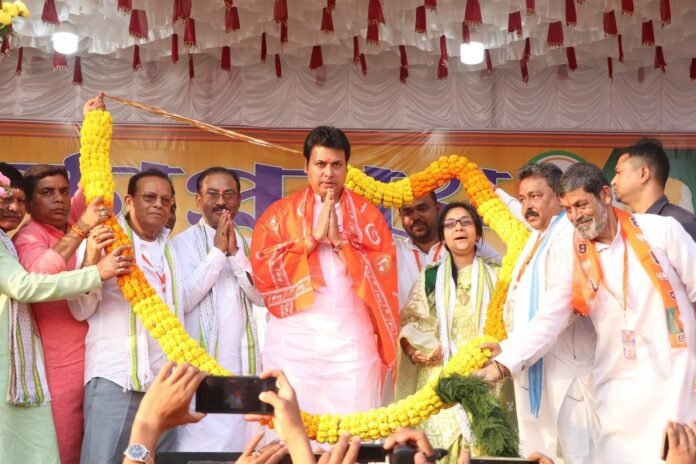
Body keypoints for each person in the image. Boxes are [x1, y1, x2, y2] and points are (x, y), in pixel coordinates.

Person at [476, 163, 696, 463]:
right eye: (568, 209)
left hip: (676, 380)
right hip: (617, 387)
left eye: (581, 204)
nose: (575, 216)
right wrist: (501, 365)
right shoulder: (575, 256)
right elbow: (549, 319)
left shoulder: (660, 230)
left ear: (605, 195)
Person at [68, 168, 224, 463]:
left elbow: (180, 303)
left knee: (154, 460)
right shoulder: (104, 239)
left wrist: (217, 254)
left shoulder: (170, 249)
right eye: (149, 197)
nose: (158, 205)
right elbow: (79, 309)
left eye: (166, 200)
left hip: (163, 383)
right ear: (129, 201)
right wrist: (94, 266)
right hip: (116, 380)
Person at [250, 126, 398, 415]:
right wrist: (311, 240)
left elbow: (384, 271)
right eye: (320, 164)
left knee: (354, 429)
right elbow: (262, 272)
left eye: (336, 165)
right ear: (306, 166)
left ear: (347, 168)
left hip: (350, 342)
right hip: (293, 340)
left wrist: (341, 244)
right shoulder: (280, 214)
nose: (328, 173)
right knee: (289, 426)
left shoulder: (368, 217)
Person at [0, 162, 131, 464]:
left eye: (63, 191)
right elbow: (34, 279)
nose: (58, 199)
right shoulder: (29, 236)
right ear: (34, 205)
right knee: (61, 447)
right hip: (56, 364)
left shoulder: (66, 225)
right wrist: (95, 267)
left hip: (91, 359)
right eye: (47, 193)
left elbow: (94, 183)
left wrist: (95, 137)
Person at [495, 163, 597, 463]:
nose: (527, 206)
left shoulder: (568, 236)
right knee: (539, 453)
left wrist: (505, 361)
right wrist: (505, 347)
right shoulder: (539, 236)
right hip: (535, 366)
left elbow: (556, 311)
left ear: (560, 197)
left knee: (574, 454)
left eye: (535, 196)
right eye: (522, 198)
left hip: (568, 375)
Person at [397, 202, 500, 463]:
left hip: (485, 377)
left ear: (478, 232)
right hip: (439, 379)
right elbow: (412, 321)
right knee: (438, 452)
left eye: (466, 222)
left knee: (483, 450)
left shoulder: (499, 276)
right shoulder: (431, 277)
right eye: (450, 224)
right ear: (442, 237)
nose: (459, 228)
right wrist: (415, 351)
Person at [172, 166, 264, 452]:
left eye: (229, 194)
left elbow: (262, 297)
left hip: (241, 367)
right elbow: (182, 300)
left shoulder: (249, 245)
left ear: (239, 200)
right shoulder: (180, 245)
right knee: (198, 447)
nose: (221, 201)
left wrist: (234, 255)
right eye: (212, 194)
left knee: (241, 446)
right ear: (198, 200)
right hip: (198, 369)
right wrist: (216, 254)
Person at [396, 193, 500, 310]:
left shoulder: (465, 244)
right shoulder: (393, 251)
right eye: (408, 212)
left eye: (422, 208)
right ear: (400, 216)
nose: (415, 217)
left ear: (437, 207)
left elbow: (507, 273)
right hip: (410, 321)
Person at [612, 138, 696, 240]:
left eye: (619, 172)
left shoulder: (683, 224)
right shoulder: (624, 226)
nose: (613, 181)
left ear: (643, 174)